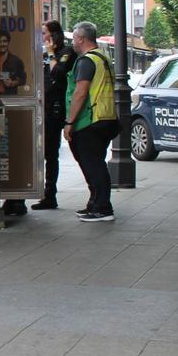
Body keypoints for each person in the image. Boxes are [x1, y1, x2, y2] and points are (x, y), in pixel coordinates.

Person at [64, 21, 120, 222]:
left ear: (81, 38)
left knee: (93, 164)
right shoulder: (103, 57)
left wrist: (69, 121)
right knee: (94, 162)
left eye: (74, 39)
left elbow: (80, 93)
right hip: (106, 117)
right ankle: (95, 203)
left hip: (91, 120)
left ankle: (103, 208)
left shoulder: (86, 61)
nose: (73, 43)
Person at [32, 20, 76, 210]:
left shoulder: (66, 53)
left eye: (44, 33)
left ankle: (50, 194)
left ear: (53, 35)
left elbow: (57, 73)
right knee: (38, 152)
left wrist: (51, 54)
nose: (42, 37)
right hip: (40, 105)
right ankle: (39, 191)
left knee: (51, 152)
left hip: (54, 108)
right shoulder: (42, 53)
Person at [0, 29, 26, 96]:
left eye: (4, 41)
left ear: (8, 42)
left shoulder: (16, 61)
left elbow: (23, 80)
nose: (2, 44)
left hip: (9, 97)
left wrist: (12, 83)